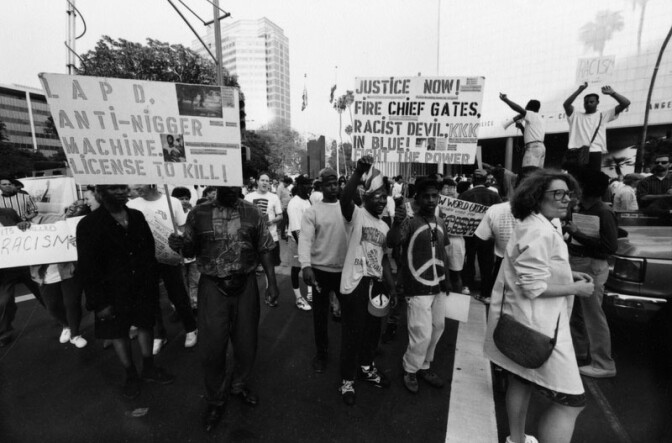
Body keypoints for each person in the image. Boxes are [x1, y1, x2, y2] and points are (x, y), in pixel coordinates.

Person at [483, 170, 594, 443]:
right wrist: (575, 288)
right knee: (572, 402)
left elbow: (537, 271)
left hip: (525, 324)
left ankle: (516, 439)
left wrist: (568, 276)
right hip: (540, 329)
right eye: (557, 193)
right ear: (535, 198)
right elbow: (533, 287)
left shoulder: (540, 224)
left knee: (520, 379)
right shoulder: (540, 230)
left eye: (568, 193)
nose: (566, 199)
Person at [167, 186, 279, 432]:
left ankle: (239, 385)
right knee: (212, 347)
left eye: (234, 184)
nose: (230, 189)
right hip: (213, 287)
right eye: (225, 184)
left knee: (247, 342)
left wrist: (272, 282)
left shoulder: (252, 213)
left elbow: (264, 248)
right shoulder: (198, 213)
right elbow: (189, 249)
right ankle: (216, 400)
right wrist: (178, 243)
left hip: (246, 286)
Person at [77, 185, 174, 400]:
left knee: (146, 324)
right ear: (100, 193)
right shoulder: (89, 224)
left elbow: (148, 249)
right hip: (111, 291)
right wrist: (98, 303)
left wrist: (151, 280)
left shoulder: (137, 216)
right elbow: (87, 266)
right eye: (113, 188)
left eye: (122, 187)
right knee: (117, 331)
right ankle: (131, 374)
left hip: (142, 285)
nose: (120, 191)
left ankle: (149, 368)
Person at [338, 156, 397, 406]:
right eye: (377, 197)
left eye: (385, 197)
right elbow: (344, 199)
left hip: (376, 284)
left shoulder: (384, 226)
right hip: (355, 283)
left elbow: (385, 257)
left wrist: (392, 288)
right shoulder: (357, 215)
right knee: (353, 332)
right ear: (366, 199)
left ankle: (366, 367)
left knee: (372, 332)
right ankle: (347, 380)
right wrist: (358, 172)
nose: (382, 201)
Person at [388, 177, 450, 394]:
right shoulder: (409, 221)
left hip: (438, 286)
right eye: (426, 196)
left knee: (437, 328)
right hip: (417, 287)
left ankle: (424, 365)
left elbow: (443, 251)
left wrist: (447, 280)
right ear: (418, 198)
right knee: (420, 332)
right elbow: (392, 242)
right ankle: (410, 369)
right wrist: (397, 222)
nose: (431, 200)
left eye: (435, 196)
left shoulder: (441, 222)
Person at [128, 185, 198, 353]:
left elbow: (182, 227)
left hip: (169, 256)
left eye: (139, 186)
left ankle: (191, 328)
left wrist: (179, 240)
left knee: (178, 294)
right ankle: (159, 335)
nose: (137, 190)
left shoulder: (172, 201)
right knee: (151, 297)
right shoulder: (131, 205)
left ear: (151, 183)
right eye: (135, 187)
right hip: (144, 259)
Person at [565, 168, 618, 378]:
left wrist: (578, 234)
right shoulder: (582, 208)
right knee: (577, 312)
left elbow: (609, 247)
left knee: (593, 315)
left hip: (592, 265)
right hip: (578, 261)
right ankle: (580, 352)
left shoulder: (603, 212)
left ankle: (604, 364)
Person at [299, 168, 348, 373]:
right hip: (320, 271)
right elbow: (305, 239)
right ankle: (322, 353)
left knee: (351, 314)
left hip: (345, 272)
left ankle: (356, 350)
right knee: (320, 316)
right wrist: (306, 266)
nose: (333, 187)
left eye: (335, 183)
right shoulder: (313, 211)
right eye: (328, 184)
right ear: (321, 185)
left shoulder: (348, 208)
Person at [30, 200, 90, 348]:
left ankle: (75, 334)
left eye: (80, 208)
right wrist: (23, 225)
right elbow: (29, 226)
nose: (75, 207)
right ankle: (66, 326)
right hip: (45, 271)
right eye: (74, 205)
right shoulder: (47, 219)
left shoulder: (84, 226)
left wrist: (79, 243)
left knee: (71, 303)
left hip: (68, 269)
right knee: (52, 305)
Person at [475, 167, 541, 289]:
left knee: (499, 303)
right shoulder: (549, 216)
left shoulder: (496, 209)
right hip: (534, 272)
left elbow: (482, 239)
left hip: (504, 267)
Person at [563, 83, 630, 171]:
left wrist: (613, 93)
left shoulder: (603, 115)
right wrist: (579, 91)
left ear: (597, 102)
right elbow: (566, 105)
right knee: (575, 179)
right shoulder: (575, 115)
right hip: (576, 152)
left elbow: (626, 103)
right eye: (586, 102)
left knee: (594, 179)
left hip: (595, 152)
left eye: (591, 102)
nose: (588, 104)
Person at [459, 169, 501, 300]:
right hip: (487, 235)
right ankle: (485, 292)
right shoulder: (494, 196)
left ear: (473, 179)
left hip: (468, 234)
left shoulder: (465, 194)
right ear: (486, 180)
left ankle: (467, 285)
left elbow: (458, 214)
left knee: (468, 259)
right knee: (486, 263)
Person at [0, 208, 34, 346]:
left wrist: (23, 225)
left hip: (23, 263)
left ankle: (66, 321)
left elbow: (28, 230)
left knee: (47, 294)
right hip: (3, 272)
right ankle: (3, 334)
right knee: (4, 302)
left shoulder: (8, 213)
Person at [244, 172, 283, 271]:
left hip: (271, 237)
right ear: (257, 182)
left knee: (270, 267)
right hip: (253, 238)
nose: (265, 183)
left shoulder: (274, 197)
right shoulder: (248, 197)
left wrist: (272, 221)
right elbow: (244, 216)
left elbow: (280, 216)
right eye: (262, 180)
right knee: (251, 267)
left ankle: (269, 286)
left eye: (267, 181)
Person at [287, 175, 314, 310]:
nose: (311, 187)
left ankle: (310, 293)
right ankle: (298, 298)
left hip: (308, 241)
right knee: (297, 268)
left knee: (309, 268)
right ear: (300, 186)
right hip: (297, 242)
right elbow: (296, 230)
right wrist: (304, 248)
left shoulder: (307, 200)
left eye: (311, 184)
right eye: (308, 184)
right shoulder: (294, 203)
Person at [172, 187, 199, 311]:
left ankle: (195, 304)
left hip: (192, 254)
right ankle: (180, 308)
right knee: (180, 283)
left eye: (186, 198)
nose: (183, 201)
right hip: (177, 256)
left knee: (195, 280)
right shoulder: (170, 213)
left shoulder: (192, 213)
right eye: (180, 199)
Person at [499, 94, 546, 168]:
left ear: (529, 108)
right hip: (540, 148)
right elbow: (529, 134)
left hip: (533, 148)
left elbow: (518, 109)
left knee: (527, 172)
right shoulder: (540, 119)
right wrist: (521, 126)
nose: (525, 109)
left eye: (526, 107)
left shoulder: (531, 114)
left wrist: (506, 100)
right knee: (536, 174)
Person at [276, 176, 293, 240]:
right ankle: (282, 235)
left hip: (287, 207)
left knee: (287, 221)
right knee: (284, 221)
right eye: (289, 184)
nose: (289, 185)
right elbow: (278, 198)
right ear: (286, 182)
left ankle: (288, 234)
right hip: (283, 207)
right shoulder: (280, 187)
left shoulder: (286, 188)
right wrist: (280, 208)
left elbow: (288, 195)